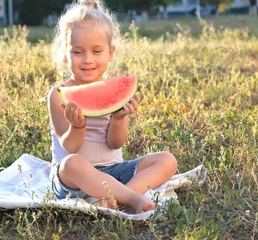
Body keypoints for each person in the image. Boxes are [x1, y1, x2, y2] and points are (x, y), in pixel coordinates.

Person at [47, 0, 178, 214]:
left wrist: (118, 119)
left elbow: (115, 143)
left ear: (111, 53)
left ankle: (120, 196)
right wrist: (77, 127)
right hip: (73, 182)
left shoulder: (116, 93)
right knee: (71, 163)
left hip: (114, 171)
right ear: (65, 55)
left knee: (167, 160)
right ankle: (131, 197)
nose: (88, 60)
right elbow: (69, 147)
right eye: (78, 52)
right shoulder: (58, 95)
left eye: (97, 51)